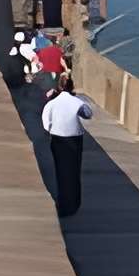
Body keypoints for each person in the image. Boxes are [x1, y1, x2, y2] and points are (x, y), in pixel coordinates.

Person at [41, 77, 94, 217]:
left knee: (61, 171)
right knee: (74, 171)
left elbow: (46, 124)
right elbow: (88, 114)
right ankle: (74, 204)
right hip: (75, 139)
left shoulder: (52, 103)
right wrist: (80, 100)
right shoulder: (76, 101)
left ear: (58, 87)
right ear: (72, 87)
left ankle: (63, 203)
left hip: (58, 139)